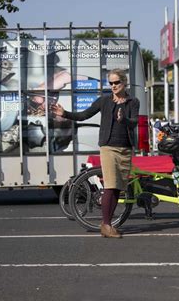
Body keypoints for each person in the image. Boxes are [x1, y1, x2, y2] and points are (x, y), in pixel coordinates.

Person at [51, 69, 139, 238]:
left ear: (124, 83)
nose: (113, 86)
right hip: (108, 148)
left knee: (117, 189)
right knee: (110, 186)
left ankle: (108, 225)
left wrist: (124, 119)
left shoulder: (133, 102)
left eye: (116, 83)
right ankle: (106, 225)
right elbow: (84, 115)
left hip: (125, 149)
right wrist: (65, 114)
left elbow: (134, 122)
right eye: (111, 83)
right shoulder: (104, 101)